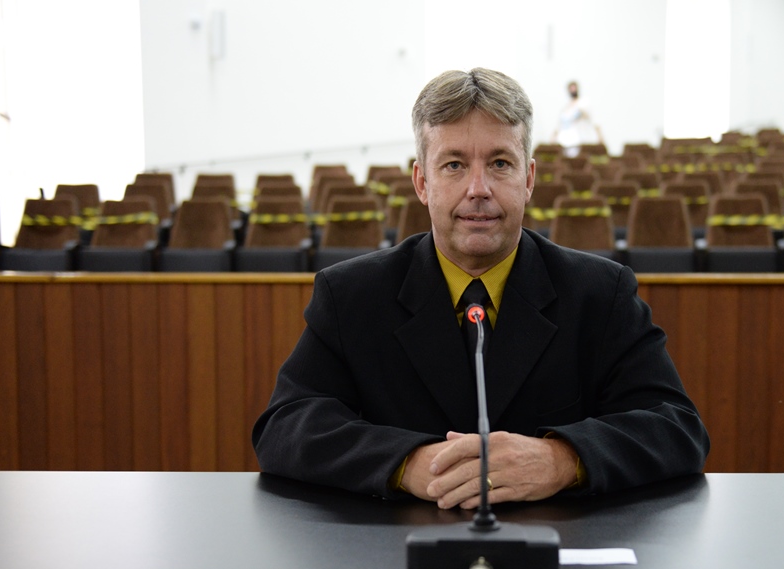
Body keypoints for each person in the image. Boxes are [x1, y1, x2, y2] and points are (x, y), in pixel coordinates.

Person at [252, 68, 709, 510]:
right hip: (394, 550)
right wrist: (408, 464)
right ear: (422, 183)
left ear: (528, 179)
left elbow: (676, 428)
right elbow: (286, 426)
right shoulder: (350, 295)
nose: (478, 188)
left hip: (560, 550)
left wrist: (562, 460)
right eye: (454, 165)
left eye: (500, 164)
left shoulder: (601, 293)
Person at [552, 80, 604, 157]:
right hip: (566, 144)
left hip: (582, 142)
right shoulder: (565, 108)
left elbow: (594, 122)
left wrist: (601, 139)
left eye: (574, 88)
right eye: (571, 88)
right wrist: (552, 141)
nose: (573, 90)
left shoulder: (584, 103)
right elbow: (558, 127)